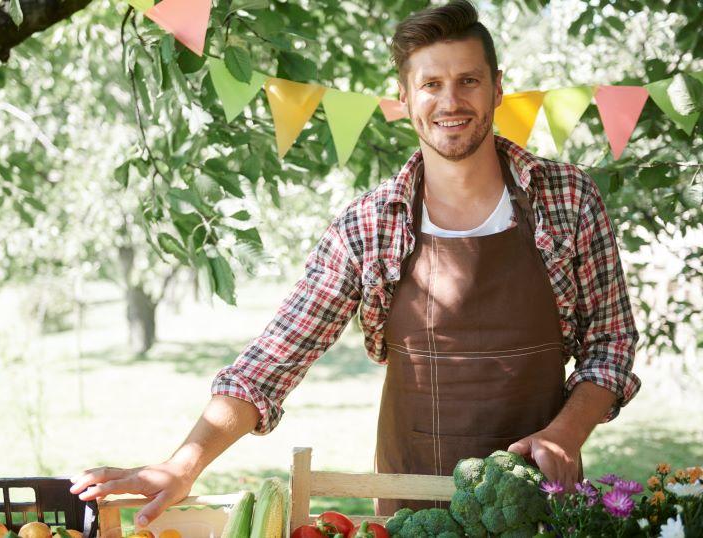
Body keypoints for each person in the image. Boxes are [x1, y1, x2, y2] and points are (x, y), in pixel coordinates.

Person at [70, 0, 641, 520]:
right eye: (431, 84)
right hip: (411, 503)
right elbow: (275, 357)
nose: (450, 101)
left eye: (468, 80)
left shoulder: (566, 198)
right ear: (405, 97)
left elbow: (611, 342)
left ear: (497, 88)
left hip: (540, 498)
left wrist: (565, 433)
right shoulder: (369, 224)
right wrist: (183, 463)